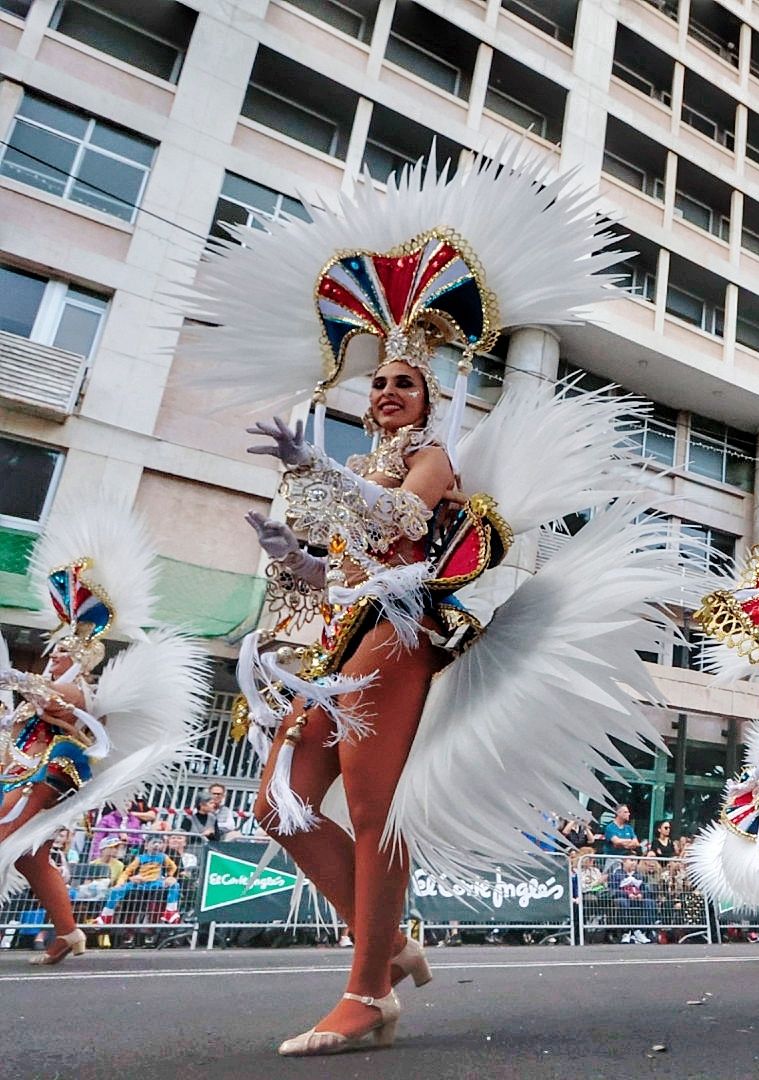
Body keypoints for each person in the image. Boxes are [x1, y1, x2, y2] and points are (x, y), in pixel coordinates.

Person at [188, 145, 693, 1055]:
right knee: (278, 806)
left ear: (427, 396)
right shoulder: (358, 466)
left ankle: (367, 994)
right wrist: (292, 561)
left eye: (403, 381)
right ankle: (388, 949)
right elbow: (342, 569)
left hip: (399, 634)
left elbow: (400, 519)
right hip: (336, 643)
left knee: (378, 813)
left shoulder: (430, 460)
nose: (386, 390)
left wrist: (317, 478)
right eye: (378, 380)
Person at [0, 505, 208, 966]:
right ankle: (69, 933)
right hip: (25, 770)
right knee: (28, 856)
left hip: (52, 772)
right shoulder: (47, 688)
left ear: (76, 659)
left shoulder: (79, 688)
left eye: (56, 657)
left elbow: (55, 699)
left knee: (9, 836)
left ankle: (67, 932)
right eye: (50, 658)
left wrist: (14, 678)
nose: (50, 661)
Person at [94, 835, 182, 926]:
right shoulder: (140, 858)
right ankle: (106, 916)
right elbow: (127, 872)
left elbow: (173, 867)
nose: (157, 845)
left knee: (175, 885)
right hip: (140, 883)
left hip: (155, 882)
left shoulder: (164, 857)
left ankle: (170, 912)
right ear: (146, 845)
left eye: (160, 843)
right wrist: (120, 883)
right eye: (154, 843)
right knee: (116, 891)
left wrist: (169, 876)